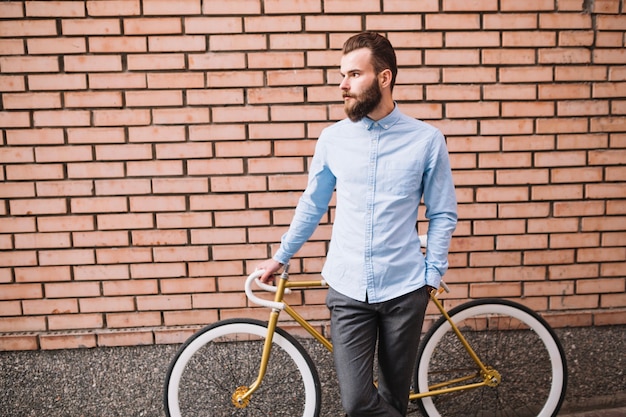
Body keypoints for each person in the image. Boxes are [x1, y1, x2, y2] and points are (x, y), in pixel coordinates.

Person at [256, 32, 457, 417]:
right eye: (341, 75)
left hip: (405, 290)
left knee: (396, 400)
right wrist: (281, 256)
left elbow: (443, 212)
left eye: (353, 74)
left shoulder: (426, 140)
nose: (342, 85)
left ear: (384, 78)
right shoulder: (333, 139)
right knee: (357, 403)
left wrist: (432, 273)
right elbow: (312, 205)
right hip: (348, 290)